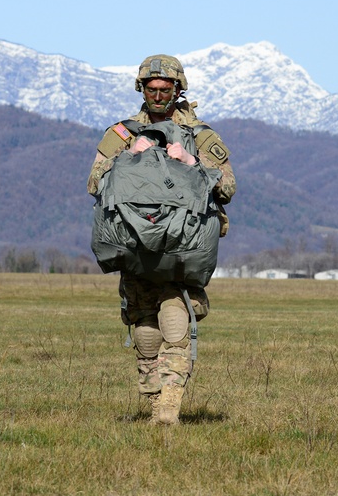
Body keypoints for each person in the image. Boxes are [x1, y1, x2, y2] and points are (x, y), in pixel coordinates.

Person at [87, 55, 236, 425]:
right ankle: (155, 407)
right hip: (137, 247)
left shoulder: (201, 136)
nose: (157, 96)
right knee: (146, 331)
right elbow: (93, 184)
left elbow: (229, 187)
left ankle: (169, 408)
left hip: (180, 247)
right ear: (141, 89)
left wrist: (191, 162)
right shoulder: (121, 134)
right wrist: (126, 161)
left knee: (175, 318)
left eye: (164, 90)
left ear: (178, 90)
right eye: (150, 89)